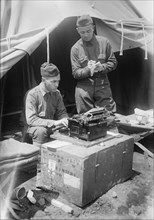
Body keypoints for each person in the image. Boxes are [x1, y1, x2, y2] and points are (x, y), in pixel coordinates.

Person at [70, 15, 117, 114]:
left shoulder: (104, 42)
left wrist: (102, 67)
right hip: (84, 88)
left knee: (108, 117)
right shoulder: (75, 49)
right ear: (77, 30)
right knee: (86, 120)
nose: (86, 35)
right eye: (82, 32)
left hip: (103, 85)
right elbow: (75, 73)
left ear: (93, 28)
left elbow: (113, 62)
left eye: (88, 31)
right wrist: (88, 69)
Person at [25, 62, 68, 148]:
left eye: (58, 81)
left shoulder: (57, 94)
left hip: (52, 126)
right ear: (44, 80)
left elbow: (61, 112)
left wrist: (65, 120)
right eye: (53, 81)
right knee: (41, 131)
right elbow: (31, 120)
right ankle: (39, 155)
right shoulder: (33, 94)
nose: (57, 84)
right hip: (36, 127)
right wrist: (54, 123)